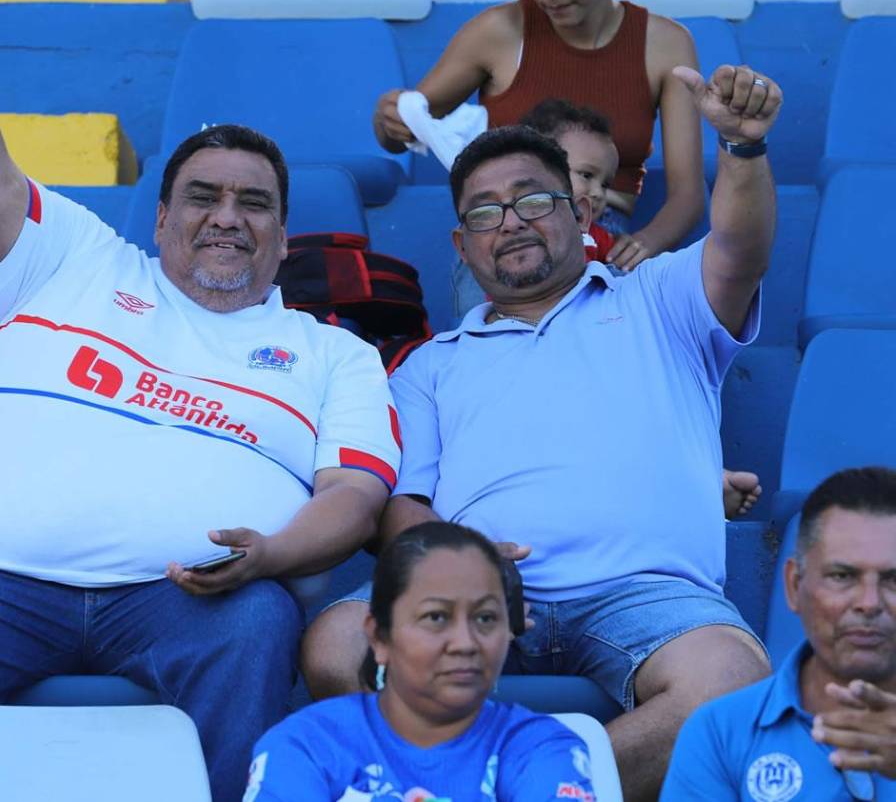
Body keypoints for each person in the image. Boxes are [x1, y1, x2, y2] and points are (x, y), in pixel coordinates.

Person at [0, 0, 401, 802]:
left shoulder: (334, 353)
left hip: (189, 598)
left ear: (284, 236)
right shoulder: (73, 260)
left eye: (253, 203)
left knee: (257, 627)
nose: (227, 215)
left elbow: (356, 499)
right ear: (159, 219)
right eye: (203, 197)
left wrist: (271, 557)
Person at [304, 61, 783, 801]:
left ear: (581, 214)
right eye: (486, 212)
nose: (513, 221)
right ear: (463, 249)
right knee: (336, 643)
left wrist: (743, 152)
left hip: (646, 592)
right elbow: (405, 506)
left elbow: (740, 251)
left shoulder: (660, 300)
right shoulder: (429, 367)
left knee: (730, 685)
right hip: (475, 589)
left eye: (532, 198)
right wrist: (448, 557)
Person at [373, 0, 704, 281]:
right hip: (506, 227)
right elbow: (405, 129)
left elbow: (687, 194)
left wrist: (646, 243)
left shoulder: (667, 44)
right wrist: (389, 121)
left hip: (602, 235)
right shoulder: (498, 31)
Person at [519, 97, 761, 520]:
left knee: (650, 390)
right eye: (586, 175)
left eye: (604, 182)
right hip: (542, 372)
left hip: (609, 361)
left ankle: (701, 478)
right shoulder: (513, 251)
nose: (597, 191)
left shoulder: (610, 248)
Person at [245, 522, 597, 801]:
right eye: (435, 618)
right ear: (380, 637)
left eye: (486, 619)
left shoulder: (542, 747)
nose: (465, 643)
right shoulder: (305, 744)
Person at [662, 467, 896, 800]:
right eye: (842, 576)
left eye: (893, 580)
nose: (869, 603)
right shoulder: (720, 731)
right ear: (794, 585)